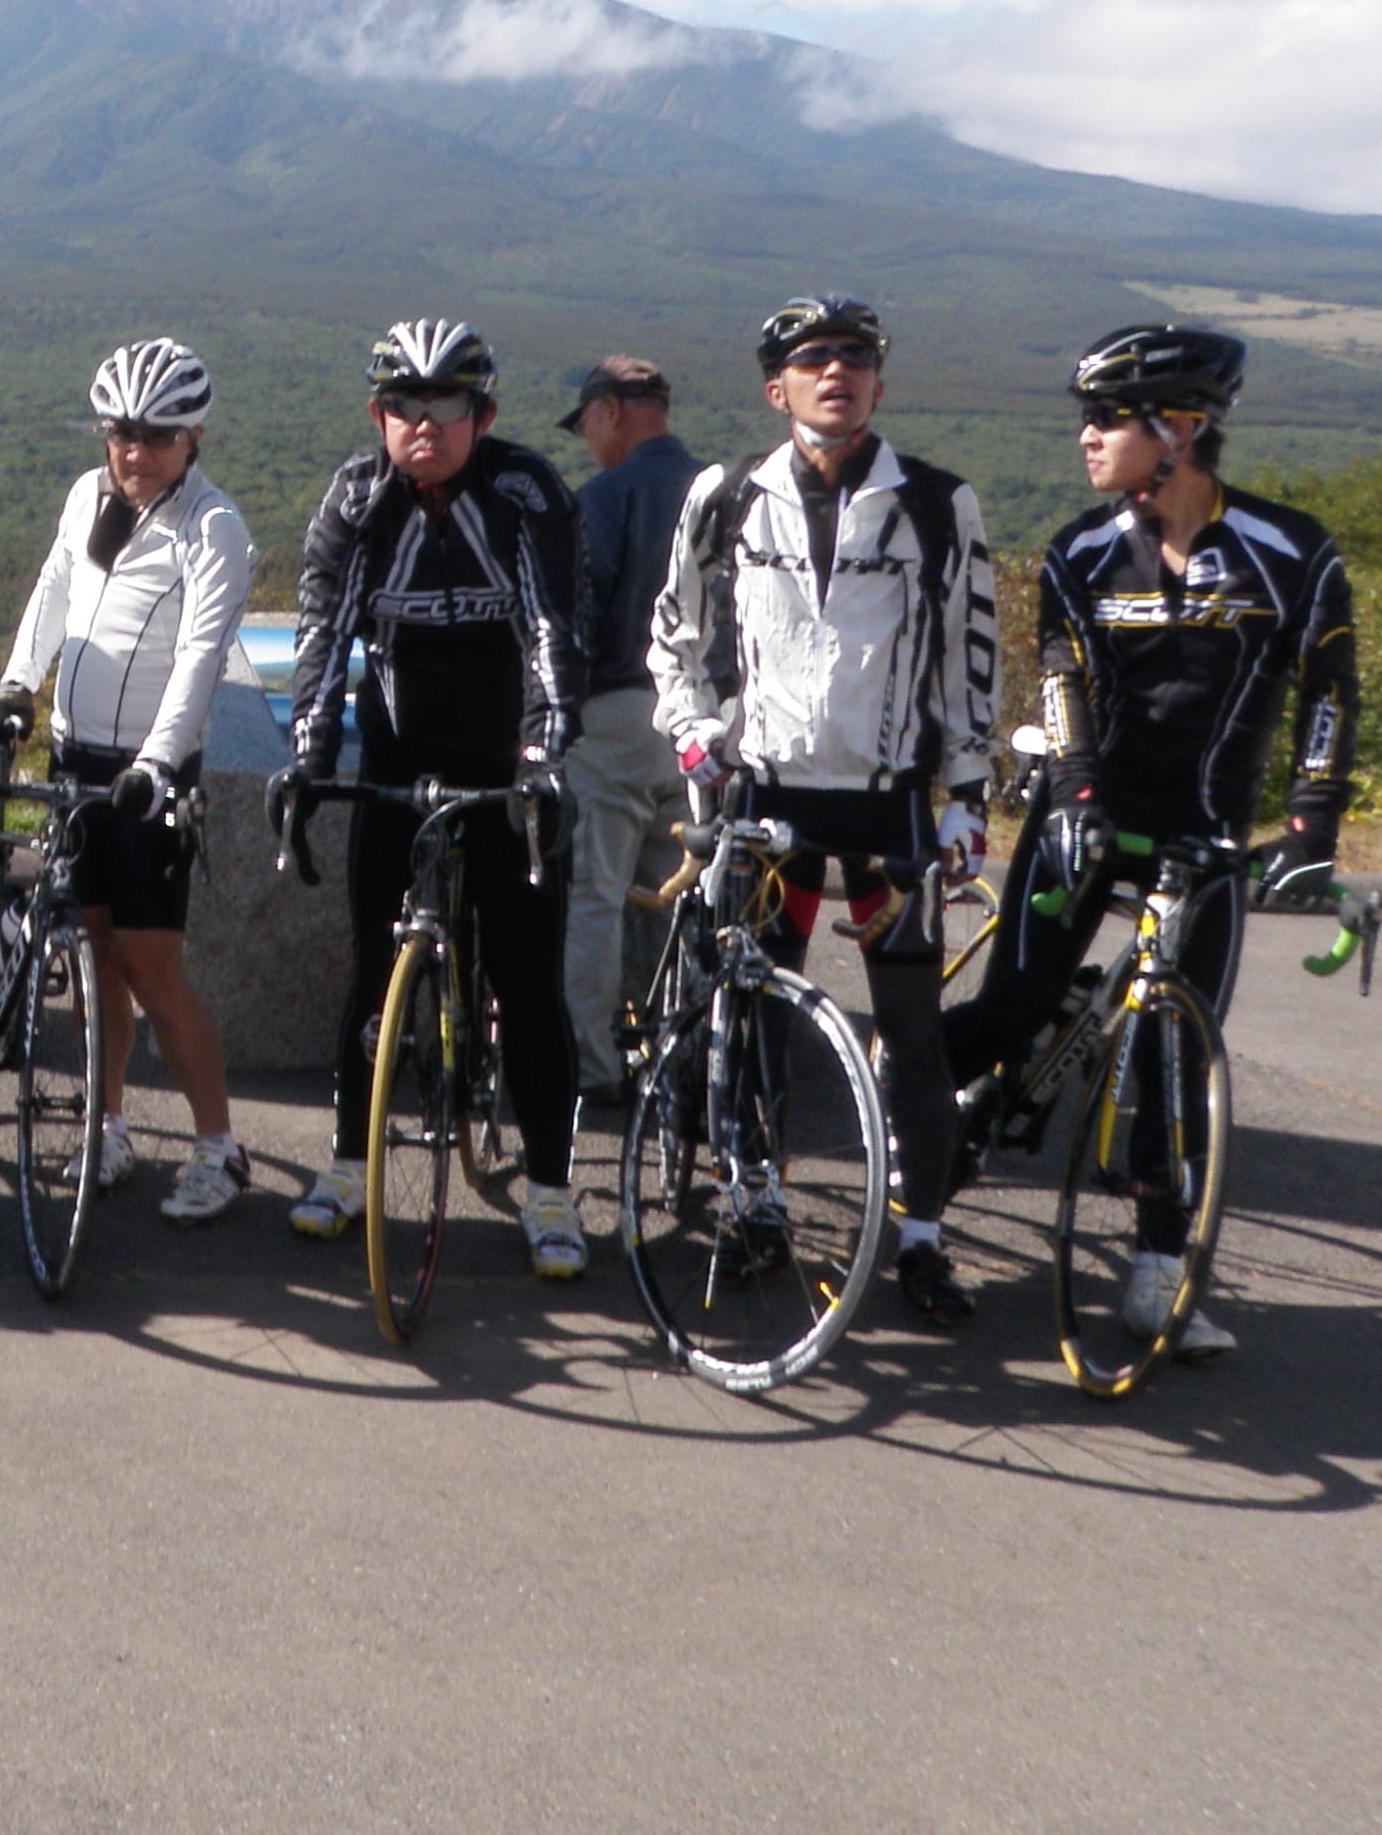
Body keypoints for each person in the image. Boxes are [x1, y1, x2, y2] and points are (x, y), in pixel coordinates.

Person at [944, 323, 1355, 1360]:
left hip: (1204, 832)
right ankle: (921, 1153)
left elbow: (1329, 696)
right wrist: (1075, 794)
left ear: (1180, 429)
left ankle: (1160, 1266)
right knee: (1012, 1009)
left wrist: (1310, 826)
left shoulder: (1293, 551)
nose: (1085, 438)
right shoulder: (1083, 550)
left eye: (1104, 419)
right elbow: (1064, 681)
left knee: (1180, 1050)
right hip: (1088, 809)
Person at [650, 293, 996, 1324]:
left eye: (855, 356)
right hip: (770, 796)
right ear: (778, 386)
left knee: (913, 1029)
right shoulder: (726, 496)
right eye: (813, 358)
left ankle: (923, 1239)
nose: (835, 371)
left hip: (889, 807)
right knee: (752, 1009)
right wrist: (691, 727)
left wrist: (969, 795)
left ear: (878, 382)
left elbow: (969, 659)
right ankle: (755, 1196)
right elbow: (674, 629)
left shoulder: (937, 502)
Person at [271, 317, 590, 1279]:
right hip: (400, 760)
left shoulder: (522, 490)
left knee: (531, 983)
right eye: (403, 406)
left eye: (445, 406)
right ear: (378, 414)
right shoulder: (358, 497)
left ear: (481, 414)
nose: (423, 424)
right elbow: (324, 635)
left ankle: (550, 1190)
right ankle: (347, 1165)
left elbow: (549, 630)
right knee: (372, 970)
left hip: (507, 761)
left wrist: (543, 751)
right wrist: (308, 753)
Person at [0, 337, 258, 1223]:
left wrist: (155, 762)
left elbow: (199, 661)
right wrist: (16, 687)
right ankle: (107, 1127)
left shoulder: (213, 529)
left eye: (157, 437)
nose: (135, 453)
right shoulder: (89, 496)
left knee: (150, 964)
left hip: (151, 773)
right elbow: (54, 592)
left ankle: (219, 1146)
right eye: (120, 434)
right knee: (93, 954)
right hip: (75, 759)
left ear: (193, 437)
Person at [557, 355, 698, 1100]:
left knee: (596, 895)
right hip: (710, 724)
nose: (587, 441)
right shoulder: (728, 490)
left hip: (619, 712)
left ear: (609, 410)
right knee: (679, 897)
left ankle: (593, 1066)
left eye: (585, 424)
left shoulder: (604, 497)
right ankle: (683, 1061)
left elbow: (575, 620)